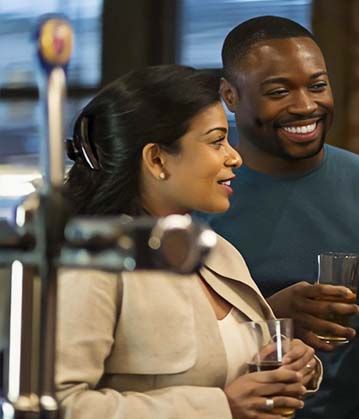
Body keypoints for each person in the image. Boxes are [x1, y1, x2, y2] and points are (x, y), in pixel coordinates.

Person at [56, 65, 321, 419]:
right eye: (216, 141)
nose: (235, 156)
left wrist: (293, 360)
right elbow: (60, 406)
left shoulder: (217, 252)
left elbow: (244, 363)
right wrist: (221, 408)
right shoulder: (97, 260)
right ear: (157, 159)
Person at [206, 16, 359, 419]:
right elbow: (170, 344)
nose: (305, 105)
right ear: (230, 96)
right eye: (279, 91)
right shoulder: (200, 197)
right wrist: (270, 317)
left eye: (317, 85)